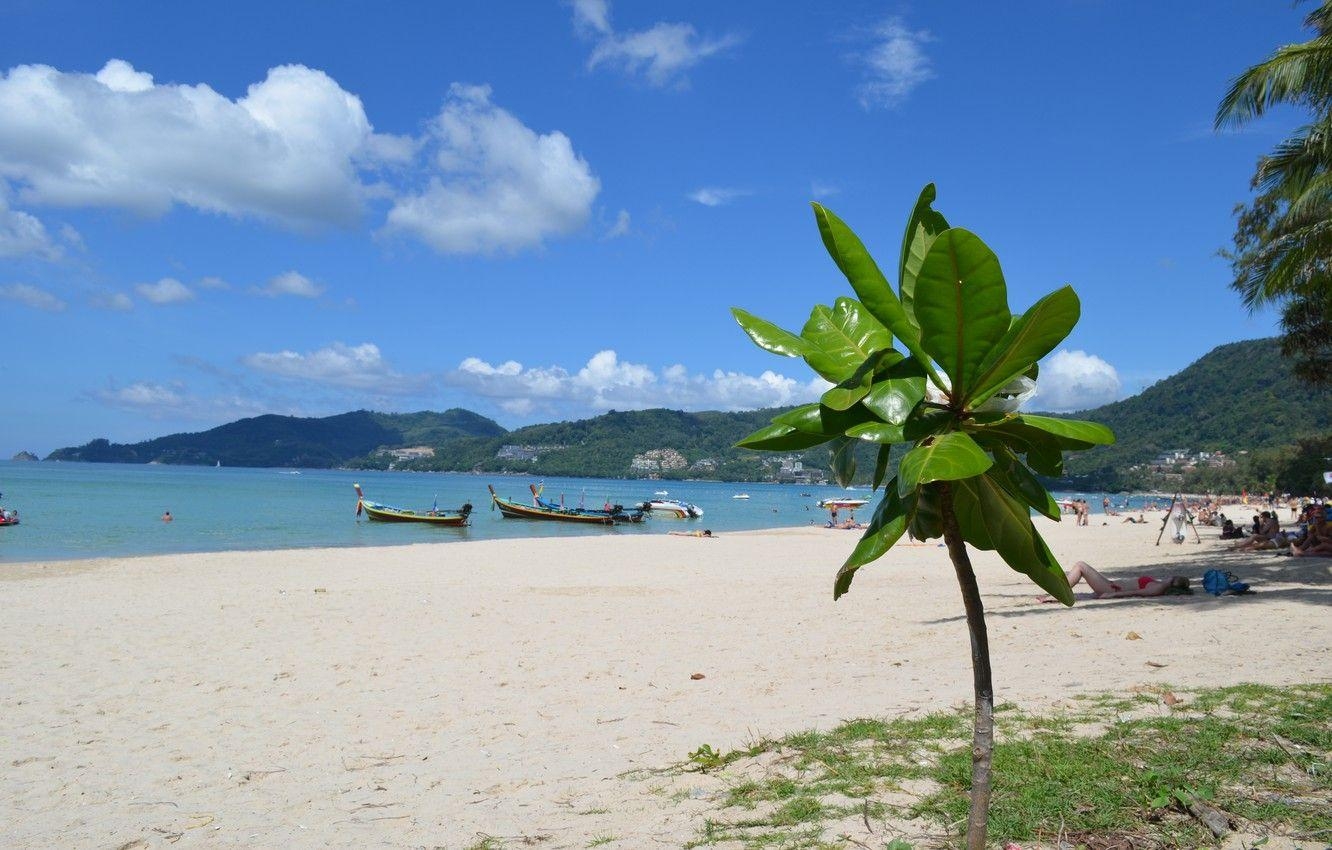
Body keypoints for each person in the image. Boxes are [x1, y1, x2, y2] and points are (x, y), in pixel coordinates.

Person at [1060, 560, 1191, 599]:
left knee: (1081, 566)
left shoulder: (1159, 587)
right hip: (1110, 585)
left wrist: (1112, 594)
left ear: (1173, 583)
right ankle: (1060, 589)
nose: (1171, 576)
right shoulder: (1159, 585)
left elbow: (1137, 593)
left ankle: (1060, 592)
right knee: (1081, 566)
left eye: (1174, 578)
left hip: (1110, 588)